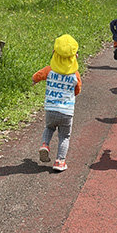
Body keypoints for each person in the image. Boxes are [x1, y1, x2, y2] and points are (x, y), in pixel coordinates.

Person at [32, 34, 82, 172]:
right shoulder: (75, 75)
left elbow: (36, 76)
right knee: (64, 136)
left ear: (54, 52)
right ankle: (60, 161)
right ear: (75, 56)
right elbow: (77, 90)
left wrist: (34, 81)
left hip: (50, 109)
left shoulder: (49, 70)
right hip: (66, 112)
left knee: (49, 128)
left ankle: (45, 144)